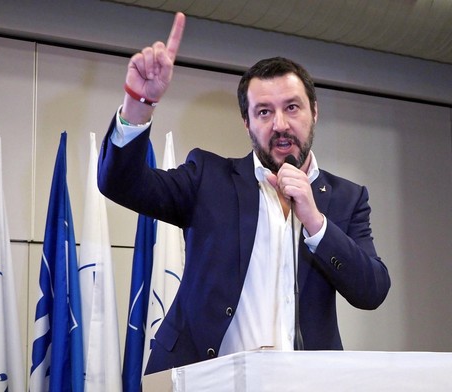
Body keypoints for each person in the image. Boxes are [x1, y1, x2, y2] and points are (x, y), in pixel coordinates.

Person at [98, 12, 390, 374]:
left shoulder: (347, 198)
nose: (280, 124)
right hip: (207, 379)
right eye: (264, 112)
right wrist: (138, 104)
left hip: (305, 382)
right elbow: (121, 183)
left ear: (314, 112)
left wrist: (316, 223)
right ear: (247, 122)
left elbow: (372, 291)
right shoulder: (209, 179)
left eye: (292, 107)